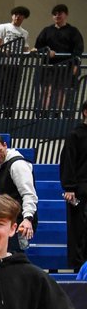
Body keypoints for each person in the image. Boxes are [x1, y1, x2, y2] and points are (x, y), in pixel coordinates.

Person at [0, 135, 38, 250]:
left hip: (20, 219)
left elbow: (29, 194)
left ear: (5, 145)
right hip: (5, 218)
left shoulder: (18, 165)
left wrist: (27, 218)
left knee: (14, 258)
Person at [34, 5, 83, 111]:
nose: (57, 16)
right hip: (48, 65)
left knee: (61, 91)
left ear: (66, 15)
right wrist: (47, 51)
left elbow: (78, 49)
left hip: (66, 66)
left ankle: (57, 114)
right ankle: (44, 113)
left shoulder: (73, 31)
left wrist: (75, 65)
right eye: (55, 14)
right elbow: (38, 46)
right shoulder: (46, 30)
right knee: (47, 90)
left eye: (60, 13)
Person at [61, 100, 87, 269]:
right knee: (79, 229)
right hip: (80, 190)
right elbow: (68, 161)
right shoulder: (75, 135)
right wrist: (69, 187)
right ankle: (80, 267)